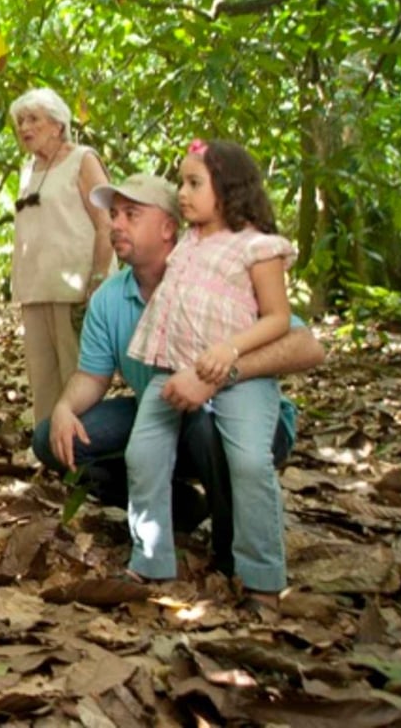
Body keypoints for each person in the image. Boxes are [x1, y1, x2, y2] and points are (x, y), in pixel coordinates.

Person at [32, 172, 322, 587]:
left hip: (233, 414)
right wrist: (63, 408)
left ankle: (234, 551)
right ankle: (181, 509)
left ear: (169, 227)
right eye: (113, 215)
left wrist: (221, 373)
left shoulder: (218, 276)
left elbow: (306, 346)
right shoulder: (110, 297)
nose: (116, 225)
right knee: (52, 440)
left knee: (207, 422)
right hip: (160, 411)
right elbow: (92, 376)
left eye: (131, 214)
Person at [122, 140, 296, 606]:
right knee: (143, 454)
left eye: (195, 183)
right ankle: (152, 559)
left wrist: (229, 351)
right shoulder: (188, 242)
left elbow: (278, 318)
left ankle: (261, 574)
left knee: (248, 462)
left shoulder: (259, 248)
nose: (182, 192)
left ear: (230, 189)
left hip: (237, 374)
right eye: (182, 181)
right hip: (174, 367)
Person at [9, 87, 114, 423]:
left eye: (33, 119)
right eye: (21, 120)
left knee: (78, 376)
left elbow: (106, 222)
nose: (25, 127)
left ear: (57, 124)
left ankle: (83, 456)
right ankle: (48, 452)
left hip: (76, 288)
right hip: (35, 288)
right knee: (43, 380)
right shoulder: (28, 169)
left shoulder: (82, 159)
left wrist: (98, 278)